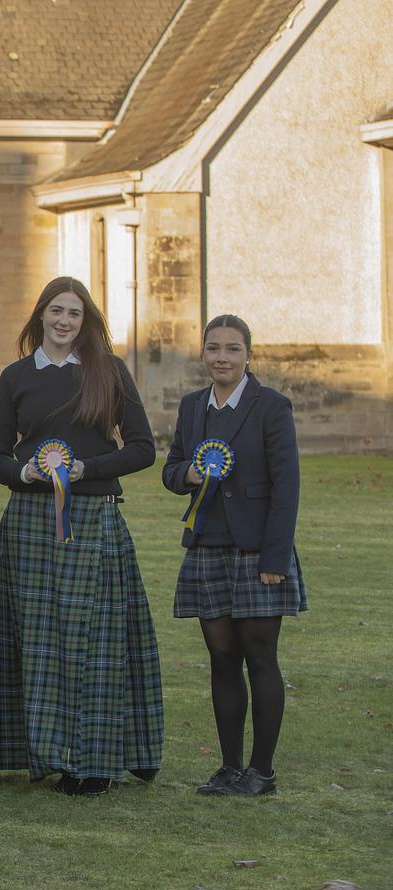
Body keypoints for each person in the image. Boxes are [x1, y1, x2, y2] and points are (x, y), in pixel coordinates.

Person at [0, 276, 163, 796]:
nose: (64, 321)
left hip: (93, 518)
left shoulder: (110, 372)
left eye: (75, 314)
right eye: (56, 311)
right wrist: (25, 473)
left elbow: (143, 449)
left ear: (86, 322)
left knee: (95, 643)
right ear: (40, 315)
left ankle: (94, 762)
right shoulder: (16, 377)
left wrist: (85, 469)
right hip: (29, 524)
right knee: (35, 640)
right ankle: (36, 751)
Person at [163, 314, 304, 797]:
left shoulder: (271, 406)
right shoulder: (191, 406)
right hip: (207, 547)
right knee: (221, 658)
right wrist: (188, 476)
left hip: (257, 552)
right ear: (203, 353)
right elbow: (171, 469)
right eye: (213, 348)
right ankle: (228, 768)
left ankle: (261, 772)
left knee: (260, 657)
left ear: (249, 355)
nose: (221, 357)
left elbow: (287, 489)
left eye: (232, 349)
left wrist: (275, 558)